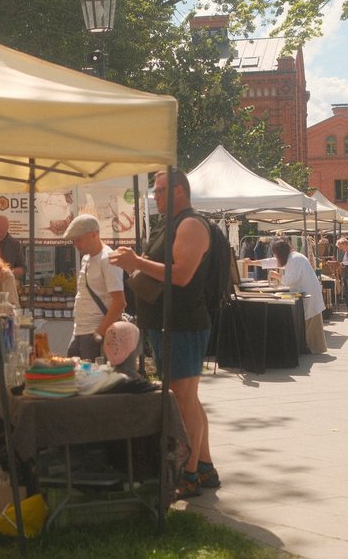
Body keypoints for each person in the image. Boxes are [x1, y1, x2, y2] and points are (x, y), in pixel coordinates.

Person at [110, 170, 219, 500]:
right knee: (189, 399)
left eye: (160, 191)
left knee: (183, 400)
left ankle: (189, 475)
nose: (155, 196)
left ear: (179, 191)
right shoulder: (171, 224)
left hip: (182, 324)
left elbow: (182, 275)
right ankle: (204, 466)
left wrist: (137, 261)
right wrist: (135, 263)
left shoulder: (191, 224)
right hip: (169, 324)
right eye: (155, 191)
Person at [62, 213, 126, 363]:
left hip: (94, 331)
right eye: (74, 240)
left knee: (91, 375)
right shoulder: (86, 258)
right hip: (80, 329)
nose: (76, 245)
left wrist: (99, 333)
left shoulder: (108, 258)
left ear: (94, 235)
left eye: (78, 240)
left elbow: (119, 302)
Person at [250, 239, 329, 354]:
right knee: (309, 322)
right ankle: (311, 347)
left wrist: (277, 275)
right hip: (308, 291)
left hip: (309, 292)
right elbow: (273, 262)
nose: (275, 257)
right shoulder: (292, 257)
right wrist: (252, 262)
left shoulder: (294, 259)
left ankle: (315, 348)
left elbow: (291, 279)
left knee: (311, 323)